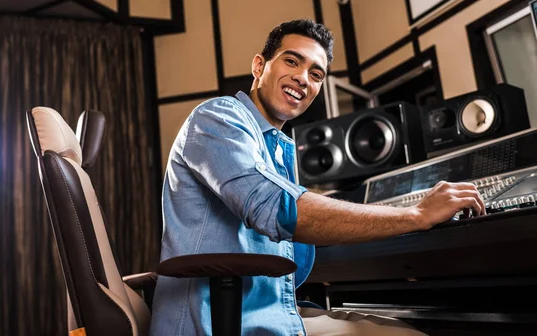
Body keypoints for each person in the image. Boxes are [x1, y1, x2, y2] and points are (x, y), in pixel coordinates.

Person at [150, 19, 485, 335]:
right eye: (292, 62)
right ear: (258, 66)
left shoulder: (279, 148)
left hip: (269, 313)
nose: (303, 79)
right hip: (217, 323)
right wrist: (416, 214)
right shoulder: (219, 117)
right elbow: (275, 209)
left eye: (316, 73)